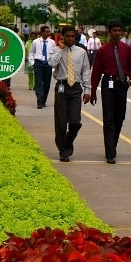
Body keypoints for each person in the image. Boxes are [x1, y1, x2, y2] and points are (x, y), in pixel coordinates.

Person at [90, 19, 131, 164]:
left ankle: (112, 145)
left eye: (119, 30)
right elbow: (96, 71)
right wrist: (93, 91)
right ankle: (110, 152)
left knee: (119, 117)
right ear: (109, 32)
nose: (117, 33)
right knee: (109, 119)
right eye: (114, 30)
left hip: (121, 84)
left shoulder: (126, 48)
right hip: (107, 84)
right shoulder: (103, 50)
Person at [49, 25, 91, 162]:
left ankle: (68, 140)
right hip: (62, 87)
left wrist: (87, 90)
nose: (70, 38)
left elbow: (86, 71)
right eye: (67, 36)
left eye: (73, 36)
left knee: (75, 122)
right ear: (63, 36)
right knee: (61, 122)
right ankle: (63, 150)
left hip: (76, 89)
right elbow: (52, 63)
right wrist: (60, 49)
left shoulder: (81, 52)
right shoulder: (56, 50)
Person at [28, 25, 56, 109]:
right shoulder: (36, 42)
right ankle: (39, 101)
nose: (48, 33)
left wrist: (53, 63)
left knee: (47, 83)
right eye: (47, 31)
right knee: (38, 82)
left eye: (49, 31)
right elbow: (32, 52)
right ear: (42, 32)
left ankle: (43, 100)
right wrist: (33, 62)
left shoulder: (52, 42)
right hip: (38, 63)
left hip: (48, 64)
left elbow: (54, 53)